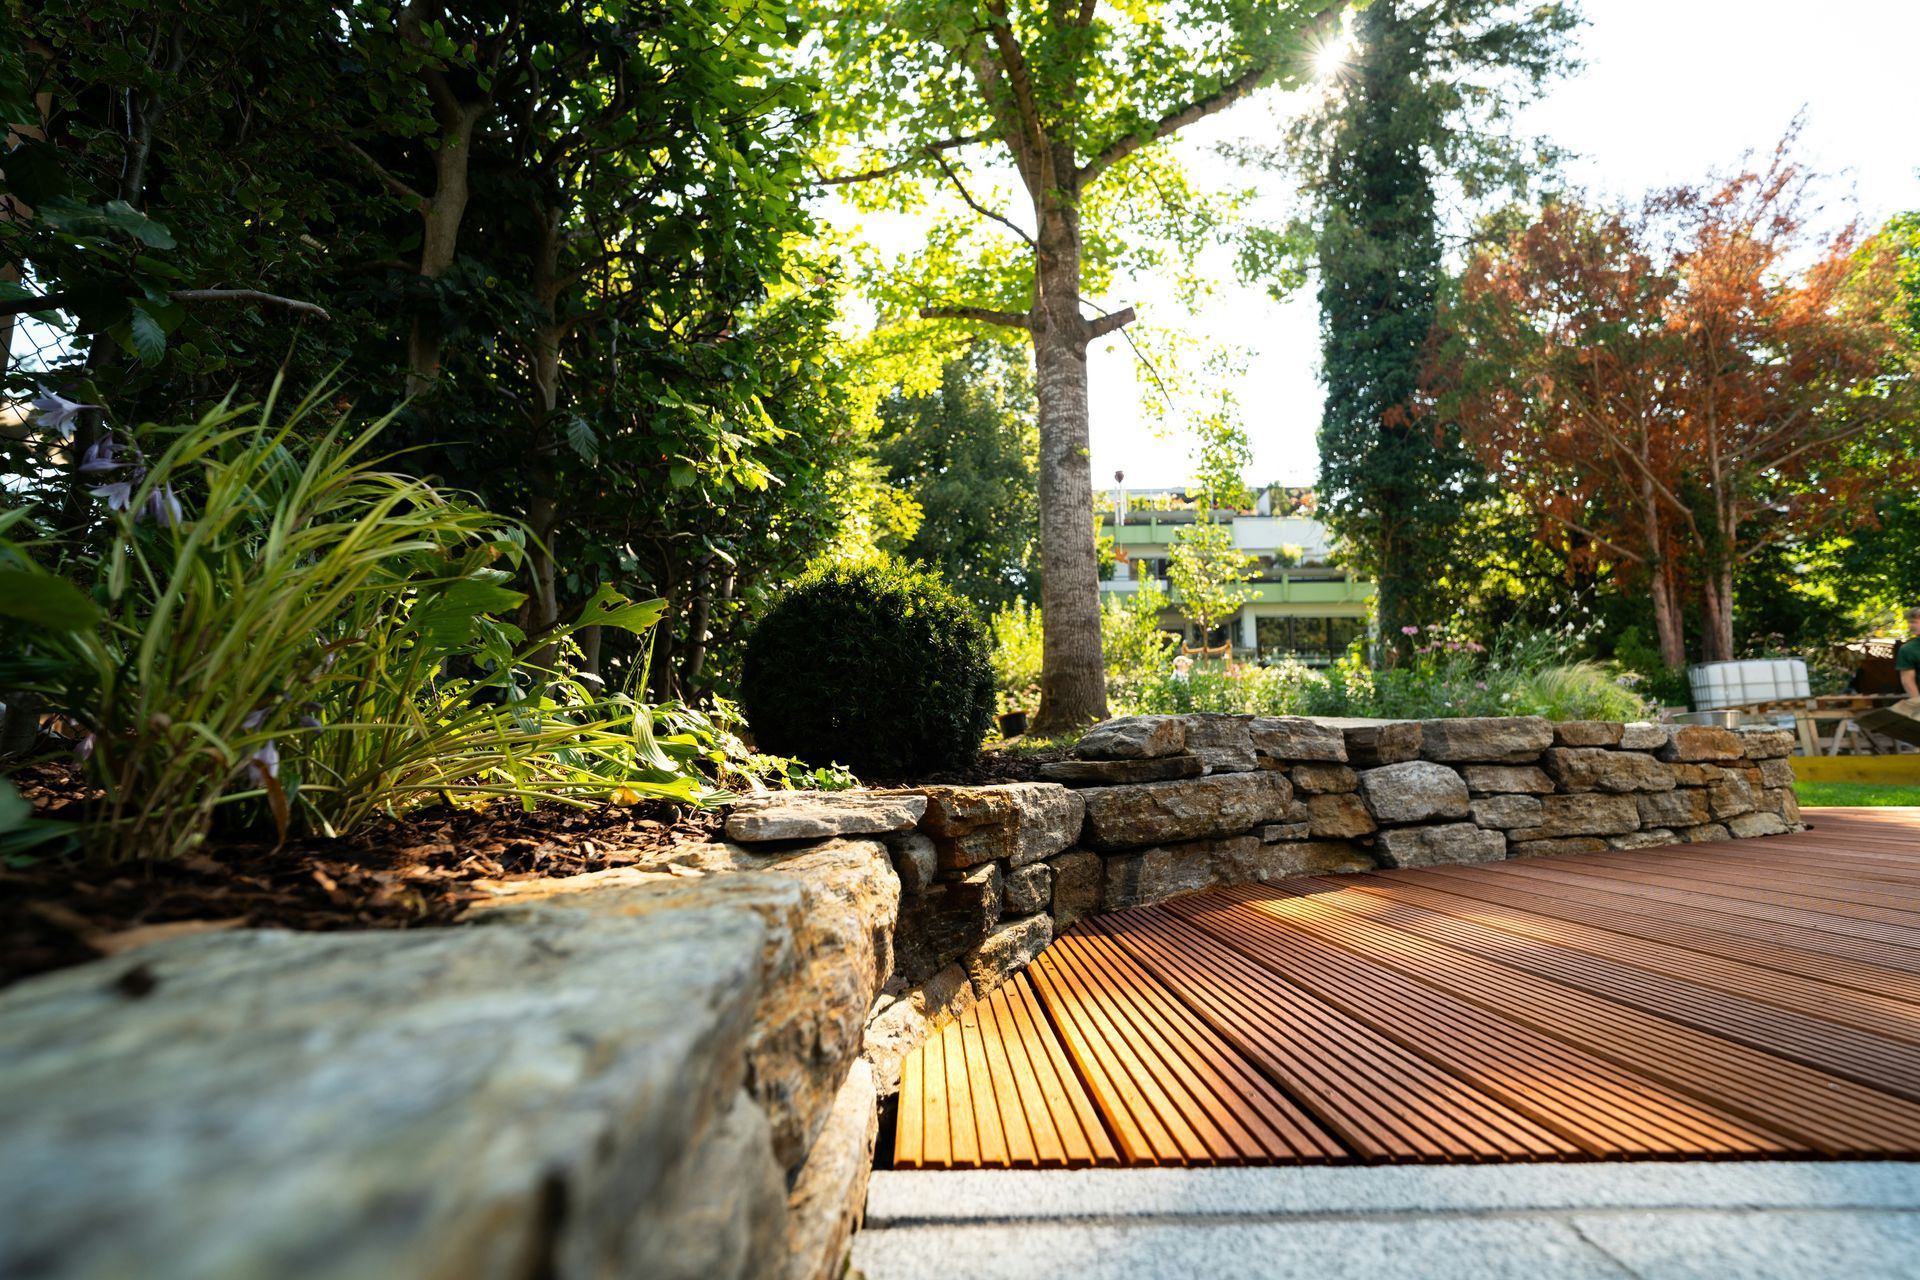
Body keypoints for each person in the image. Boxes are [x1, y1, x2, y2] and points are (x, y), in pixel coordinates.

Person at [1896, 606, 1920, 719]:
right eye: (1909, 622)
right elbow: (1907, 680)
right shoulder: (1908, 649)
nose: (1910, 626)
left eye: (1913, 622)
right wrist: (1917, 705)